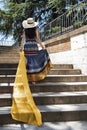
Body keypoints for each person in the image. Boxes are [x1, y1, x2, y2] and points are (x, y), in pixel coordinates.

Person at [21, 17, 52, 84]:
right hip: (34, 45)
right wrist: (42, 47)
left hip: (27, 46)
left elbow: (23, 39)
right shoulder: (36, 29)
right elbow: (38, 39)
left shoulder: (24, 31)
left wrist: (21, 48)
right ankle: (34, 79)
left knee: (28, 61)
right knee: (34, 61)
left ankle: (29, 78)